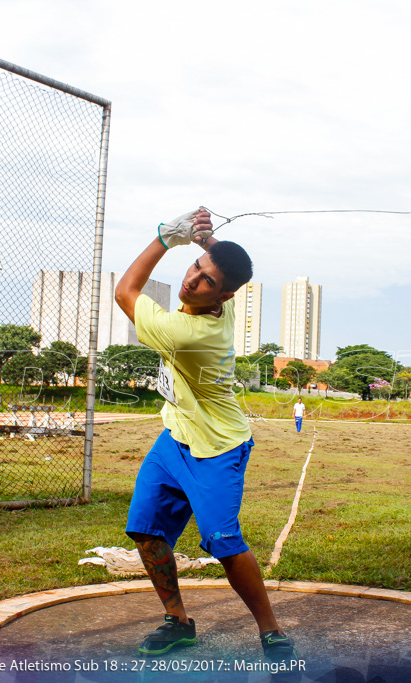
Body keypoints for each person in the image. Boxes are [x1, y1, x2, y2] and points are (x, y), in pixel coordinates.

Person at [113, 207, 297, 662]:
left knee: (221, 540)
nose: (193, 280)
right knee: (145, 530)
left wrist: (165, 238)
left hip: (217, 446)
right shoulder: (223, 302)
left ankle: (270, 631)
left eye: (206, 280)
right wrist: (203, 240)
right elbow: (225, 262)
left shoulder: (187, 332)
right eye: (195, 270)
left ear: (224, 295)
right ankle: (178, 622)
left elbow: (125, 291)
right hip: (175, 437)